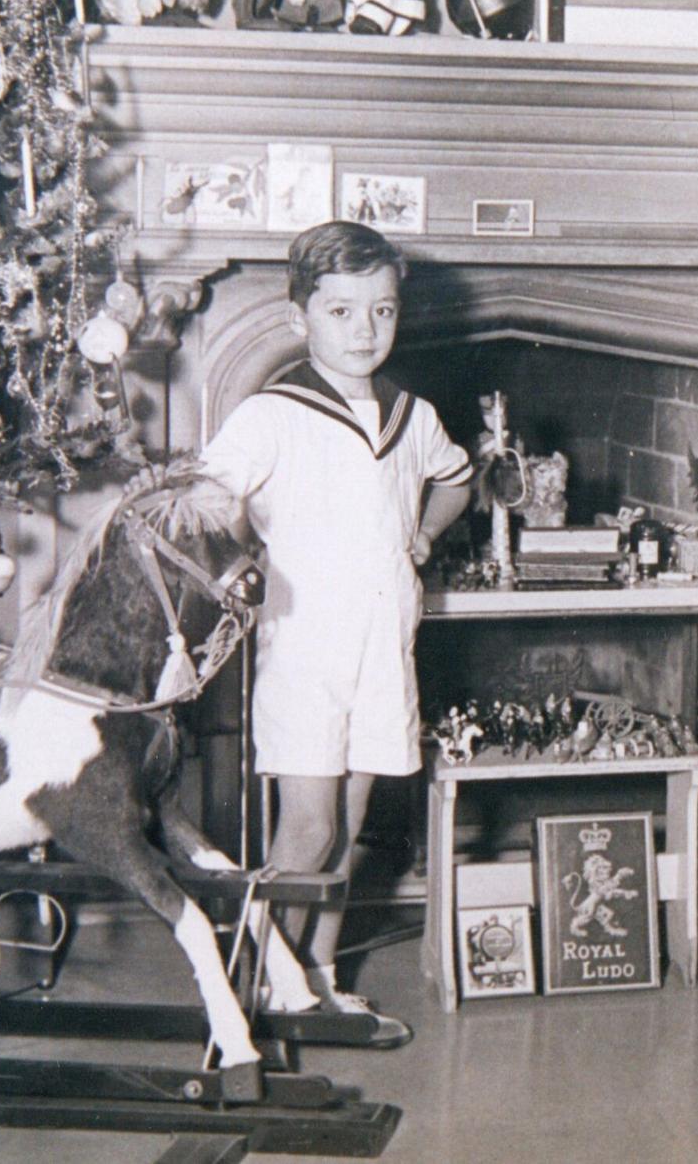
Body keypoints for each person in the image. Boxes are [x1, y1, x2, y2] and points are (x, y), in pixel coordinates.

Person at [200, 220, 474, 1039]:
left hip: (384, 647)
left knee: (352, 826)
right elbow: (210, 499)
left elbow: (455, 480)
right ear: (300, 319)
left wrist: (424, 530)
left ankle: (317, 971)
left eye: (382, 311)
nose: (364, 332)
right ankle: (265, 977)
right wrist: (241, 556)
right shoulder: (271, 412)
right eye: (342, 311)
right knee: (309, 824)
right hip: (304, 646)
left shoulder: (411, 415)